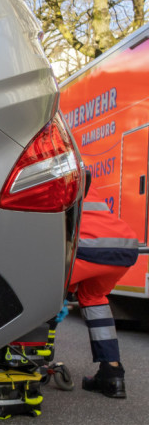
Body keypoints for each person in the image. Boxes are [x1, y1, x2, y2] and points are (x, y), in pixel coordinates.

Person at [72, 171, 139, 398]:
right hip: (124, 246)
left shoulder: (56, 177)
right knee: (94, 299)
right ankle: (112, 375)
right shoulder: (85, 180)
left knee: (44, 294)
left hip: (87, 246)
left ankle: (28, 364)